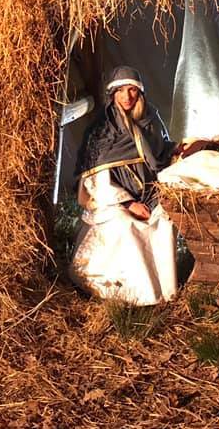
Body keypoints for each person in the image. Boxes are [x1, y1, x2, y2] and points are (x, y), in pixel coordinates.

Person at [69, 65, 178, 305]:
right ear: (112, 94)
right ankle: (125, 292)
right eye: (121, 91)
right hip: (113, 198)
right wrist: (128, 203)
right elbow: (97, 178)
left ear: (140, 93)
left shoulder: (151, 119)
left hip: (151, 192)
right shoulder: (102, 129)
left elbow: (162, 152)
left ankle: (162, 289)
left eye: (132, 90)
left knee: (164, 220)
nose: (127, 97)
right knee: (124, 225)